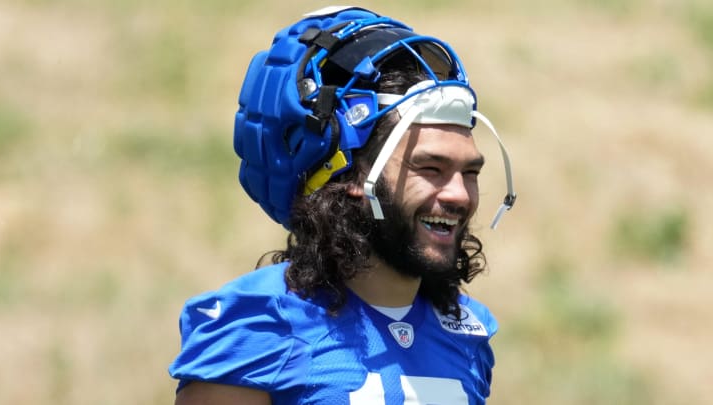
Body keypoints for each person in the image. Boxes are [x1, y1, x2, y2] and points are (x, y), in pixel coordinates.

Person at [169, 6, 516, 405]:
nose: (459, 194)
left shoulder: (466, 334)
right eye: (430, 167)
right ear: (351, 176)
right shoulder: (258, 330)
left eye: (469, 171)